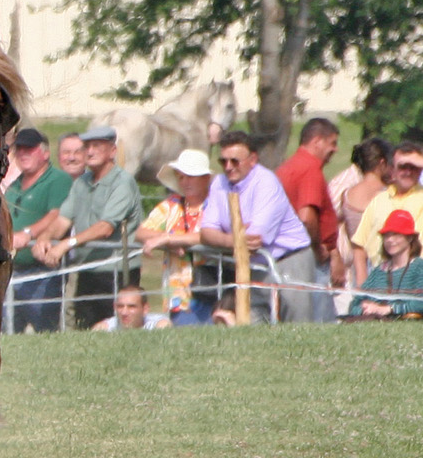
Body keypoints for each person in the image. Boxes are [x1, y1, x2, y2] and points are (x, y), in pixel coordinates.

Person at [30, 124, 142, 329]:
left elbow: (105, 227)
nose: (90, 152)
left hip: (116, 270)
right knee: (84, 328)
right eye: (87, 146)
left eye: (97, 146)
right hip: (87, 269)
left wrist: (66, 244)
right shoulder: (82, 182)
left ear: (112, 151)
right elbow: (63, 219)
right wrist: (44, 238)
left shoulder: (123, 183)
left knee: (117, 330)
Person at [198, 131, 315, 323]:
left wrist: (226, 236)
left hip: (290, 260)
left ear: (252, 160)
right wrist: (233, 239)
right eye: (223, 161)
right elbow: (206, 232)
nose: (228, 167)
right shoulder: (219, 183)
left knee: (297, 326)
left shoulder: (266, 182)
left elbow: (254, 239)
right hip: (253, 265)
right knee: (251, 324)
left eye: (235, 161)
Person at [3, 128, 74, 333]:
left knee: (45, 329)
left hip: (42, 271)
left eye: (30, 149)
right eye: (19, 149)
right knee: (8, 332)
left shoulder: (58, 179)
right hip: (12, 270)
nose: (23, 153)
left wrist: (28, 234)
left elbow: (56, 214)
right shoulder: (14, 185)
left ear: (45, 153)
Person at [352, 141, 423, 278]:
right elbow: (359, 245)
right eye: (403, 167)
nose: (408, 172)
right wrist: (361, 281)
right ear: (392, 170)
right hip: (383, 275)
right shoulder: (379, 200)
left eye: (414, 167)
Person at [136, 148, 215, 326]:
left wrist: (171, 239)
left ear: (205, 178)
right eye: (181, 177)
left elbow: (215, 236)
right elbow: (140, 232)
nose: (185, 182)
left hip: (214, 287)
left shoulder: (217, 204)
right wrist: (167, 238)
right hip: (178, 293)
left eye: (191, 177)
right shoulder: (171, 205)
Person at [275, 118, 340, 321]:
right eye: (332, 143)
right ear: (317, 141)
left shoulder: (288, 167)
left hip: (288, 257)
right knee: (319, 322)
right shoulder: (310, 169)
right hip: (309, 257)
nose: (335, 149)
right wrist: (318, 247)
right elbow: (307, 217)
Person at [344, 209, 423, 320]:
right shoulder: (378, 271)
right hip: (373, 321)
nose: (389, 240)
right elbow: (355, 305)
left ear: (410, 238)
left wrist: (388, 309)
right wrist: (365, 309)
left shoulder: (422, 268)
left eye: (396, 235)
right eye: (386, 236)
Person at [333, 138, 392, 294]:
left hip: (357, 266)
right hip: (384, 265)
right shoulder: (388, 194)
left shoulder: (348, 194)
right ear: (381, 163)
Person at [93, 286, 171, 331]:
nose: (124, 312)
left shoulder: (157, 325)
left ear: (145, 309)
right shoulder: (104, 328)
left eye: (131, 307)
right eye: (120, 306)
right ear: (114, 307)